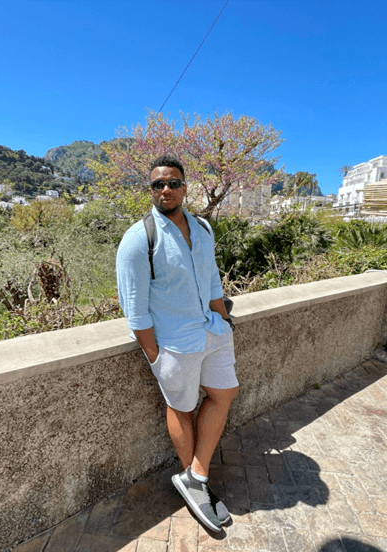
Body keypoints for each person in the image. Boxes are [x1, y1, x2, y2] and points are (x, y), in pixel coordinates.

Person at [116, 154, 239, 532]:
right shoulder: (139, 239)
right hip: (173, 343)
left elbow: (213, 280)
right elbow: (134, 310)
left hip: (212, 331)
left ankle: (195, 477)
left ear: (185, 188)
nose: (165, 189)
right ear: (150, 191)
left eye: (172, 183)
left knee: (224, 394)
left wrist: (223, 320)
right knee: (181, 408)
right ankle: (197, 486)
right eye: (157, 184)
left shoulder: (202, 228)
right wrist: (155, 356)